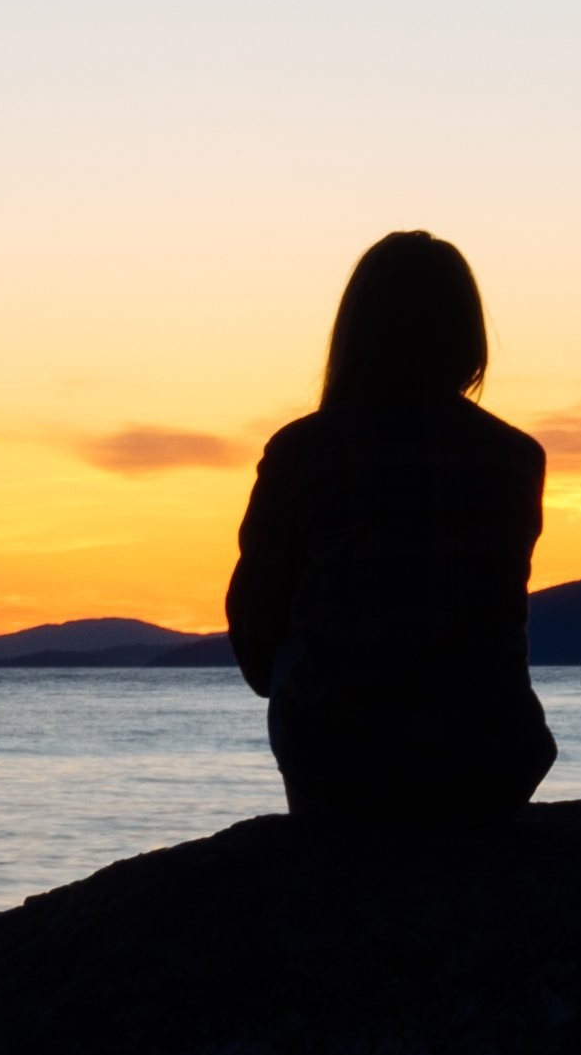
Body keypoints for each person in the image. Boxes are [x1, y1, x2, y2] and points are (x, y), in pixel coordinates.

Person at [224, 230, 558, 824]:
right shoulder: (515, 457)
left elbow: (254, 627)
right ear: (467, 335)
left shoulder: (305, 451)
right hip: (493, 757)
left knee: (297, 652)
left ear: (356, 332)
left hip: (346, 762)